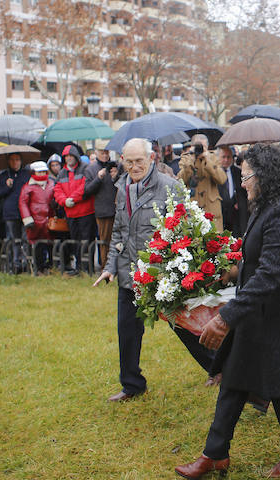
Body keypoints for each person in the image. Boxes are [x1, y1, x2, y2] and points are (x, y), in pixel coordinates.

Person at [176, 144, 280, 480]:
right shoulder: (265, 207)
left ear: (266, 176)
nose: (242, 183)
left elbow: (270, 275)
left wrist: (225, 317)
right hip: (257, 314)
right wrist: (230, 270)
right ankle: (215, 455)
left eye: (247, 176)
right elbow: (257, 261)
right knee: (234, 381)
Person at [94, 139, 216, 401]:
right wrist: (110, 266)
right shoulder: (121, 187)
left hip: (162, 278)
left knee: (184, 327)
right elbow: (118, 232)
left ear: (151, 159)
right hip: (130, 277)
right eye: (129, 161)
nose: (134, 166)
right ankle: (132, 385)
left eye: (139, 160)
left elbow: (184, 231)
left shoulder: (169, 187)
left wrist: (175, 272)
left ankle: (219, 368)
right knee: (126, 332)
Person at [54, 145, 95, 275]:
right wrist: (64, 201)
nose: (69, 159)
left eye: (71, 156)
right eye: (66, 156)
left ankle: (88, 267)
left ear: (76, 156)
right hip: (71, 213)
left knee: (87, 240)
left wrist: (72, 199)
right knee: (75, 241)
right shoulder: (62, 173)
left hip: (85, 212)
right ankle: (79, 267)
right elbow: (57, 190)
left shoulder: (85, 169)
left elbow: (85, 187)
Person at [178, 134, 227, 232]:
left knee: (214, 242)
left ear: (208, 147)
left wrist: (208, 160)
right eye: (198, 147)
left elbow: (222, 179)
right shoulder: (186, 158)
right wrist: (191, 161)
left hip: (211, 207)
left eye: (203, 147)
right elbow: (181, 180)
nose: (200, 150)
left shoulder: (213, 158)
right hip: (193, 207)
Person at [83, 145, 119, 269]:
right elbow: (87, 191)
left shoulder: (116, 166)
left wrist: (116, 177)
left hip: (118, 210)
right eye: (102, 152)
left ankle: (117, 267)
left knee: (118, 241)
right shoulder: (91, 169)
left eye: (107, 152)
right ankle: (106, 268)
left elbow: (123, 185)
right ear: (96, 153)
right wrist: (98, 178)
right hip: (103, 211)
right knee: (105, 242)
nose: (105, 155)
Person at [0, 153, 31, 272]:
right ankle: (15, 263)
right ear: (8, 162)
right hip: (10, 212)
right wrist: (7, 187)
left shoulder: (27, 175)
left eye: (17, 160)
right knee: (13, 239)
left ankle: (26, 262)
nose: (15, 162)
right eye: (12, 160)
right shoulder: (4, 176)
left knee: (25, 239)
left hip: (25, 212)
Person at [19, 161, 55, 272]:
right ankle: (39, 267)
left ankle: (51, 266)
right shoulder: (27, 187)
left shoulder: (51, 184)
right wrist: (27, 219)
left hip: (50, 220)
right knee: (38, 245)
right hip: (35, 221)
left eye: (44, 171)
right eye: (39, 172)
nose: (42, 174)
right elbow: (23, 203)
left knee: (51, 244)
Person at [218, 145, 247, 238]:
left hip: (235, 213)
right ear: (218, 157)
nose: (226, 160)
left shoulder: (237, 172)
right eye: (223, 157)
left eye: (228, 157)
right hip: (220, 211)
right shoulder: (214, 173)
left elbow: (241, 191)